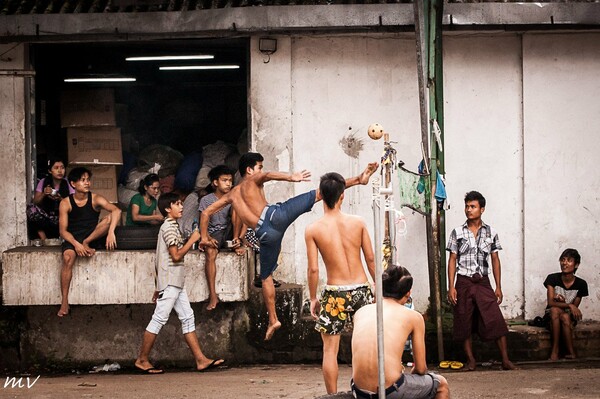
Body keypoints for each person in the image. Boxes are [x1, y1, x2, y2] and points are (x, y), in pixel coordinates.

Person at [200, 152, 378, 340]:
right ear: (249, 170)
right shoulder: (253, 179)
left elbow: (205, 214)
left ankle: (273, 319)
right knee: (321, 193)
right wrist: (291, 177)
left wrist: (204, 237)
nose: (260, 169)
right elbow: (267, 175)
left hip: (265, 234)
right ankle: (359, 179)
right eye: (258, 166)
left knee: (266, 276)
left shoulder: (231, 195)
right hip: (276, 216)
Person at [134, 192, 225, 374]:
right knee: (159, 319)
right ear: (168, 209)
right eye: (177, 204)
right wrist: (192, 239)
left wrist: (157, 286)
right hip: (171, 281)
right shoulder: (168, 228)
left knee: (187, 318)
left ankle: (200, 360)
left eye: (180, 203)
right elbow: (175, 256)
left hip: (174, 281)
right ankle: (142, 359)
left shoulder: (171, 226)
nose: (181, 207)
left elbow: (161, 258)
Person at [305, 172, 376, 394]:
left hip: (335, 293)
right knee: (365, 347)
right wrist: (377, 287)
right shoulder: (358, 223)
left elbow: (314, 269)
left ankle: (333, 396)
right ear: (342, 196)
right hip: (361, 289)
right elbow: (371, 259)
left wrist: (314, 297)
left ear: (320, 195)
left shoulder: (313, 229)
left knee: (329, 350)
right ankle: (365, 391)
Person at [351, 265, 449, 399]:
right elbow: (421, 369)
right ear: (408, 293)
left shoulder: (360, 312)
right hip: (390, 390)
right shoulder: (414, 317)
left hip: (359, 390)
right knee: (441, 384)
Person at [446, 190, 517, 371]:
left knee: (495, 319)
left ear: (482, 209)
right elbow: (452, 259)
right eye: (467, 206)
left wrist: (498, 286)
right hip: (463, 282)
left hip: (483, 282)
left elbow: (495, 259)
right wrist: (451, 286)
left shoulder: (491, 232)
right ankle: (471, 360)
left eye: (473, 206)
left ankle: (505, 360)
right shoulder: (457, 232)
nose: (469, 210)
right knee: (463, 321)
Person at [58, 167, 122, 317]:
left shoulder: (95, 198)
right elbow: (63, 231)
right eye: (83, 180)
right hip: (72, 238)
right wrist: (76, 244)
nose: (87, 183)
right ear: (73, 184)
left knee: (108, 219)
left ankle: (87, 242)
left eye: (88, 179)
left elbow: (116, 211)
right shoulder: (65, 203)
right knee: (68, 258)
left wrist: (111, 232)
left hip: (91, 236)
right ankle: (65, 301)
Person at [198, 165, 245, 311]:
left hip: (231, 232)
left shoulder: (234, 197)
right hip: (215, 235)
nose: (228, 184)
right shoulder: (206, 200)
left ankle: (235, 243)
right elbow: (202, 222)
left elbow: (245, 220)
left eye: (230, 180)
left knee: (237, 206)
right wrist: (206, 238)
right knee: (210, 254)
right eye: (224, 180)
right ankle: (213, 295)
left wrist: (240, 239)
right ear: (215, 182)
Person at [543, 248, 589, 361]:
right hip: (551, 317)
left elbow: (574, 310)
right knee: (554, 310)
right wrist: (569, 305)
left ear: (576, 265)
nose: (565, 263)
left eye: (569, 260)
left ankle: (569, 352)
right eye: (563, 260)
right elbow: (551, 303)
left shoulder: (581, 284)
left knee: (564, 316)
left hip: (568, 317)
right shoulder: (552, 278)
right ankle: (555, 350)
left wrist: (567, 305)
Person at [27, 158, 75, 240]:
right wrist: (44, 194)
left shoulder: (68, 183)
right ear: (50, 171)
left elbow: (74, 204)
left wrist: (60, 199)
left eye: (62, 168)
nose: (60, 171)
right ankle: (44, 239)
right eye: (56, 168)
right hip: (48, 217)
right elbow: (35, 201)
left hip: (62, 218)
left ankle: (65, 238)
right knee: (31, 209)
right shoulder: (43, 181)